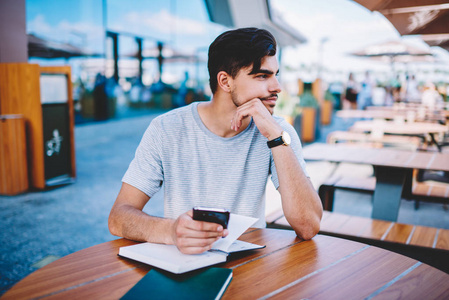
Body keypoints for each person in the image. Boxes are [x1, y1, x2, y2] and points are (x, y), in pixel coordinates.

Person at [108, 27, 323, 254]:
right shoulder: (167, 129)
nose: (277, 87)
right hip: (183, 264)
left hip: (250, 268)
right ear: (225, 81)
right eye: (262, 75)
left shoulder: (278, 133)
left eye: (276, 74)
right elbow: (119, 216)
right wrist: (171, 230)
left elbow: (308, 227)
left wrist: (276, 139)